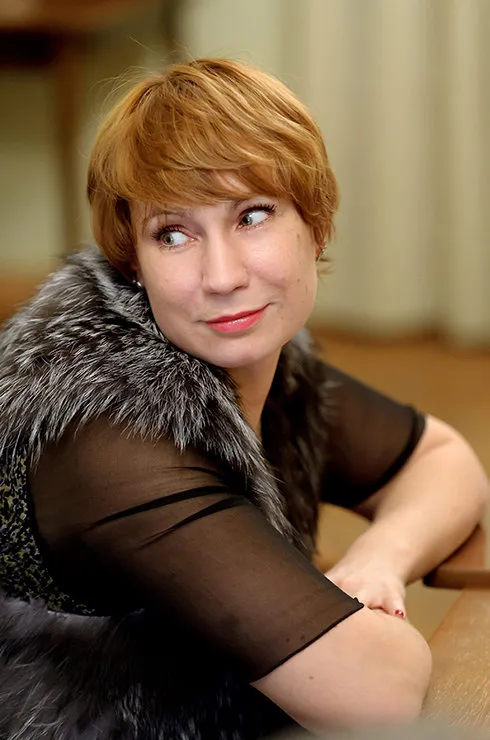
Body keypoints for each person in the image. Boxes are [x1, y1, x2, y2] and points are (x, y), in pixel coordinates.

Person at [0, 58, 487, 740]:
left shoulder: (260, 364)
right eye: (173, 234)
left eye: (252, 216)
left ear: (316, 224)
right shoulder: (107, 434)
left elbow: (441, 459)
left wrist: (378, 559)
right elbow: (377, 693)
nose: (222, 276)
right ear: (133, 262)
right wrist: (361, 627)